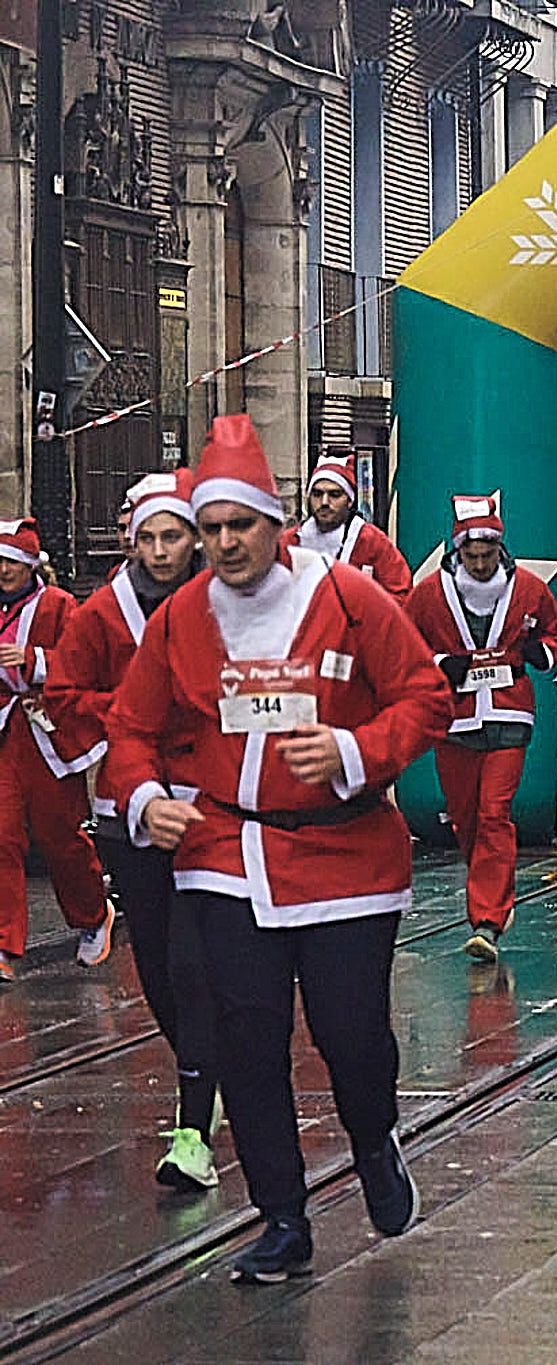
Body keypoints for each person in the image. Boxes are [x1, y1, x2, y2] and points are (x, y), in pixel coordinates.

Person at [103, 414, 451, 1283]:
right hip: (227, 853)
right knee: (246, 1040)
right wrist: (145, 800)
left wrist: (355, 751)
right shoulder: (182, 619)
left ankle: (373, 1137)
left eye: (240, 525)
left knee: (350, 1034)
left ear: (275, 523)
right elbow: (130, 727)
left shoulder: (348, 598)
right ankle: (283, 1217)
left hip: (346, 860)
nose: (225, 543)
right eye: (211, 528)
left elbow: (425, 697)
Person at [45, 472, 216, 1189]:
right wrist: (130, 708)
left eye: (172, 536)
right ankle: (205, 1070)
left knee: (193, 962)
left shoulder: (222, 602)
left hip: (210, 807)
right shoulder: (101, 614)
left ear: (193, 538)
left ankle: (193, 1126)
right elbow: (63, 694)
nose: (160, 550)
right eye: (148, 538)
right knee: (156, 970)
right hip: (128, 811)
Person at [404, 494, 557, 963]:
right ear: (458, 551)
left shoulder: (529, 588)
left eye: (488, 554)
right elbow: (407, 643)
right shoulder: (429, 594)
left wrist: (540, 653)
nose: (479, 564)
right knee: (466, 817)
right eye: (471, 556)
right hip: (454, 717)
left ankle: (487, 921)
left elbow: (554, 632)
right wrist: (441, 663)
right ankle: (495, 892)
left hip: (509, 712)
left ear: (500, 548)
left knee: (495, 812)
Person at [0, 517, 114, 981]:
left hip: (47, 734)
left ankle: (93, 914)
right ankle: (5, 942)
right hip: (5, 732)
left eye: (11, 561)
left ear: (30, 564)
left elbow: (82, 663)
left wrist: (33, 661)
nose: (4, 570)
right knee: (2, 835)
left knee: (60, 838)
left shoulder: (60, 605)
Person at [281, 457, 412, 601]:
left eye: (334, 495)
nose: (324, 502)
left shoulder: (372, 542)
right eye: (317, 494)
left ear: (350, 500)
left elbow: (401, 595)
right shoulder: (289, 542)